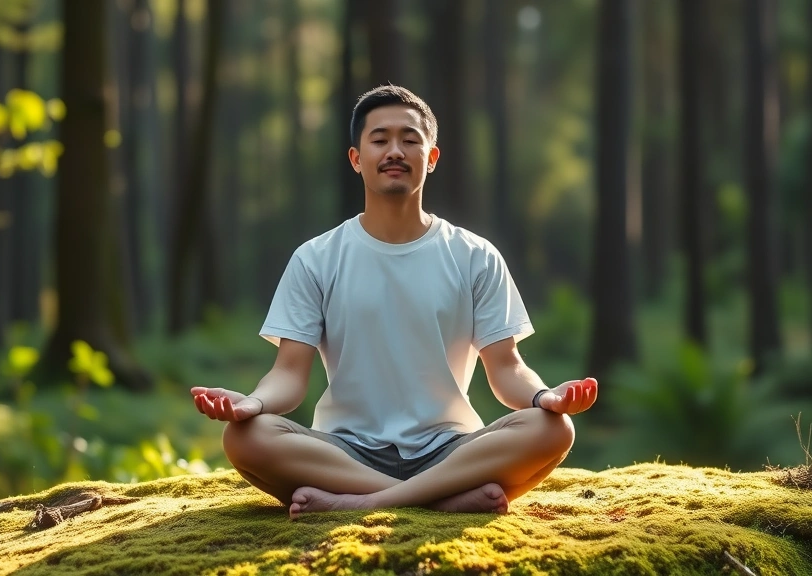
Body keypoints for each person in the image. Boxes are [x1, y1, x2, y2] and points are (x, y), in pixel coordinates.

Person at [191, 85, 598, 519]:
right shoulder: (316, 258)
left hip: (452, 447)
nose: (395, 151)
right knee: (244, 437)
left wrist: (543, 397)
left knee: (553, 430)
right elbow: (289, 375)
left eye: (409, 139)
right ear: (356, 158)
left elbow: (507, 368)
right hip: (344, 451)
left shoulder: (475, 256)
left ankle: (368, 502)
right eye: (380, 139)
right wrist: (251, 404)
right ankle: (440, 501)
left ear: (432, 158)